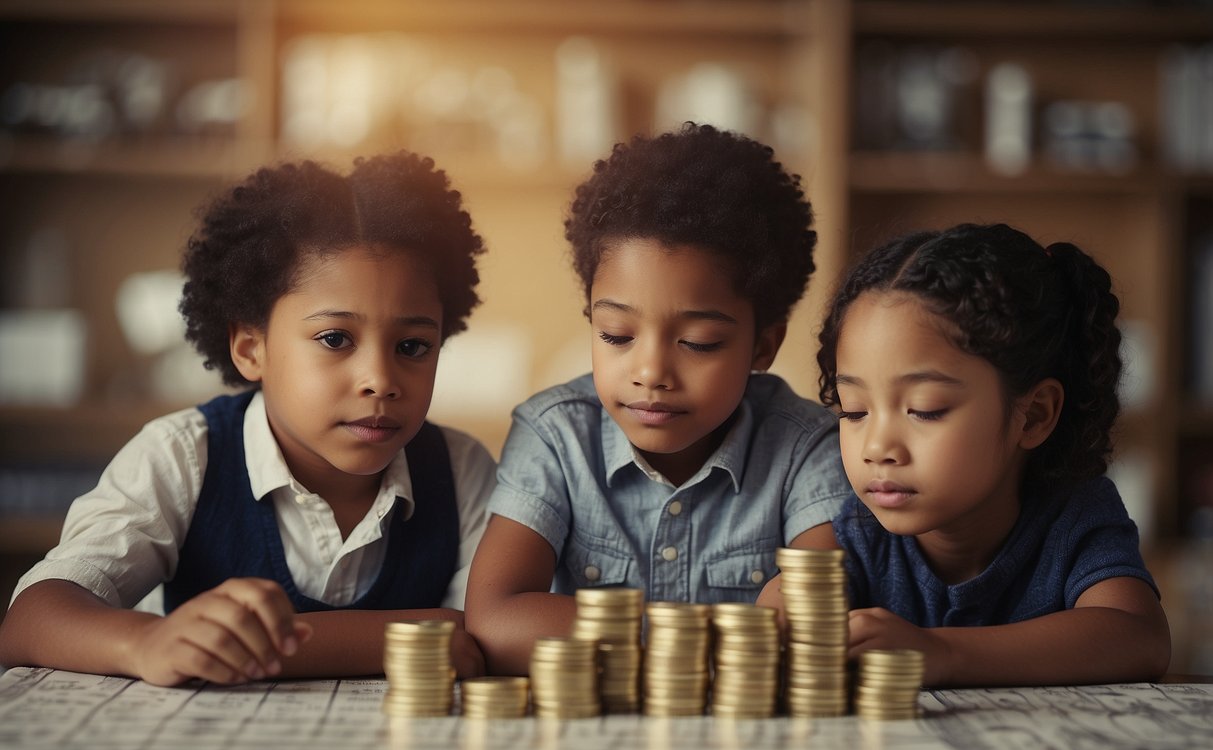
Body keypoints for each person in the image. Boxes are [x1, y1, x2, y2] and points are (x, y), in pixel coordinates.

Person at [0, 152, 496, 685]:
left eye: (413, 345)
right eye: (335, 338)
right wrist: (147, 641)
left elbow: (484, 639)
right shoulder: (183, 455)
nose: (380, 378)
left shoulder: (460, 469)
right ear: (249, 347)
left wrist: (243, 653)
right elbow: (30, 620)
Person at [464, 123, 851, 675]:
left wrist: (614, 640)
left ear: (763, 345)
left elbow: (813, 614)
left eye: (699, 343)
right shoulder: (554, 435)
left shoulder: (805, 448)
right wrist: (689, 649)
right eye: (617, 336)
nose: (650, 372)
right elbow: (496, 620)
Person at [759, 222, 1170, 687]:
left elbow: (1140, 637)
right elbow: (782, 605)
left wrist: (942, 652)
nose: (877, 448)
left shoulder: (1075, 517)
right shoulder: (858, 533)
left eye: (924, 410)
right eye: (853, 411)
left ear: (1033, 416)